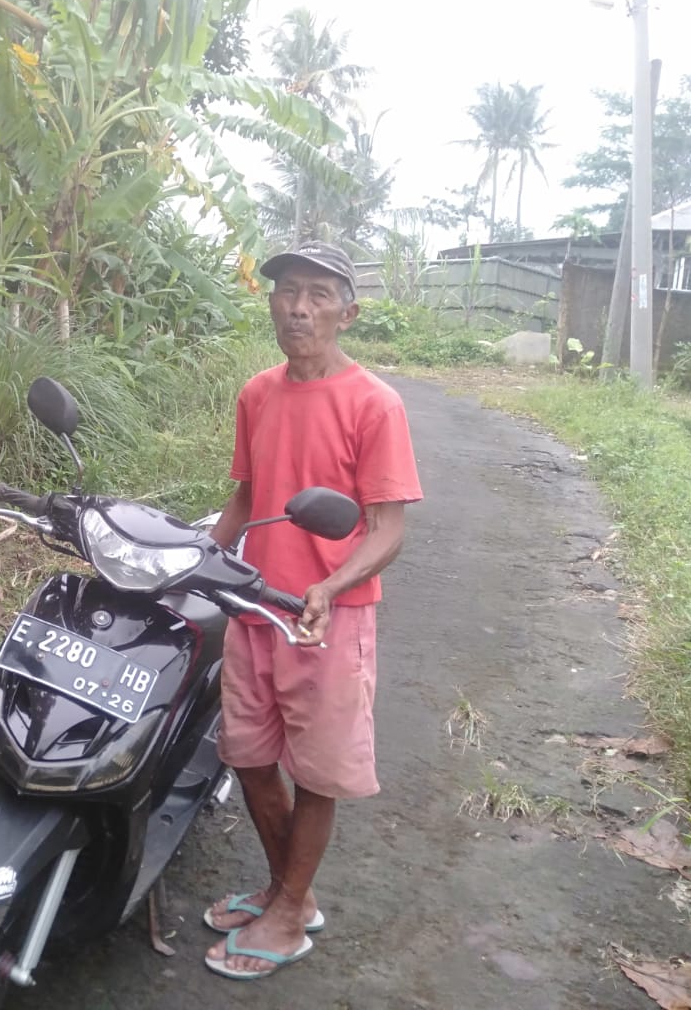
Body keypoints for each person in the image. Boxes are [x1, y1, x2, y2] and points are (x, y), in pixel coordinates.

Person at [201, 240, 421, 981]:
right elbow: (247, 495)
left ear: (346, 314)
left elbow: (387, 528)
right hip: (253, 608)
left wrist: (329, 586)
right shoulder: (257, 393)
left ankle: (290, 913)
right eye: (288, 292)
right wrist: (195, 563)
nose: (299, 308)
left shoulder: (374, 403)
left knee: (318, 771)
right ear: (271, 303)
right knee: (250, 756)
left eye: (318, 296)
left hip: (327, 617)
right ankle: (286, 891)